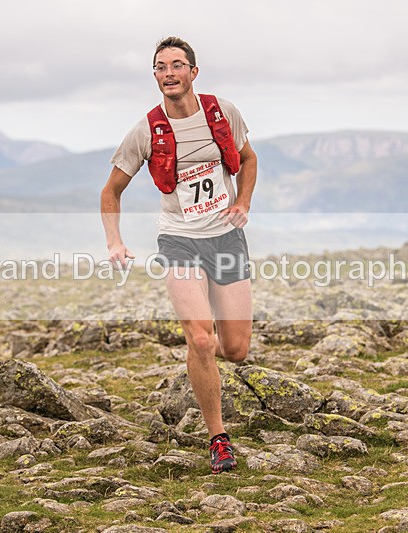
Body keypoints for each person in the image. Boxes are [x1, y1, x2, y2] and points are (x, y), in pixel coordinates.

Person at [100, 36, 258, 474]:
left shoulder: (222, 112)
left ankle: (205, 361)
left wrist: (242, 201)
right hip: (179, 241)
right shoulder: (145, 131)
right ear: (155, 76)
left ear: (193, 72)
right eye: (160, 67)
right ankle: (218, 438)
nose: (168, 73)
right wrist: (114, 240)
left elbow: (248, 159)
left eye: (176, 65)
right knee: (201, 339)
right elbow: (111, 191)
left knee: (236, 349)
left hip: (225, 238)